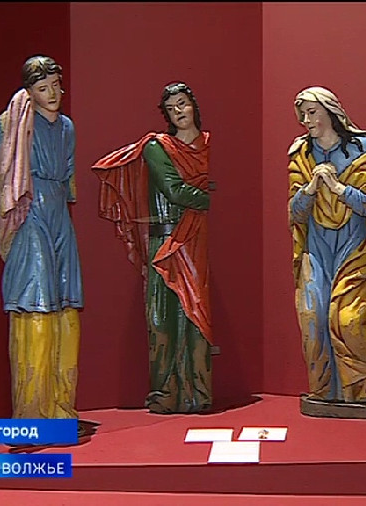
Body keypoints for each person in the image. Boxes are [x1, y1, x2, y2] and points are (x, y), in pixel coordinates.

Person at [92, 82, 213, 414]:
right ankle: (166, 392)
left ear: (194, 105)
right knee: (162, 317)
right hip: (166, 241)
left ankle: (198, 393)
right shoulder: (157, 147)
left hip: (195, 240)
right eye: (171, 108)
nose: (178, 111)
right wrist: (208, 196)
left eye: (183, 103)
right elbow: (174, 190)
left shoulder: (208, 145)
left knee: (195, 315)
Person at [288, 86, 366, 418]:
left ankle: (362, 391)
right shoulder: (301, 156)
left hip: (355, 250)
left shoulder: (363, 150)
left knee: (348, 320)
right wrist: (311, 188)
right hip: (317, 250)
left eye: (312, 112)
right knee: (313, 317)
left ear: (331, 112)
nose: (307, 120)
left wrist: (337, 188)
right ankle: (325, 390)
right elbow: (294, 213)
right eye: (303, 114)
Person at [0, 55, 84, 423]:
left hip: (59, 212)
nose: (52, 94)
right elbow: (8, 176)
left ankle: (62, 408)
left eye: (56, 86)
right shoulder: (14, 122)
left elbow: (69, 176)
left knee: (66, 302)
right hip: (31, 211)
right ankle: (32, 414)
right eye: (43, 88)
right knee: (36, 302)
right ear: (29, 91)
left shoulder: (66, 127)